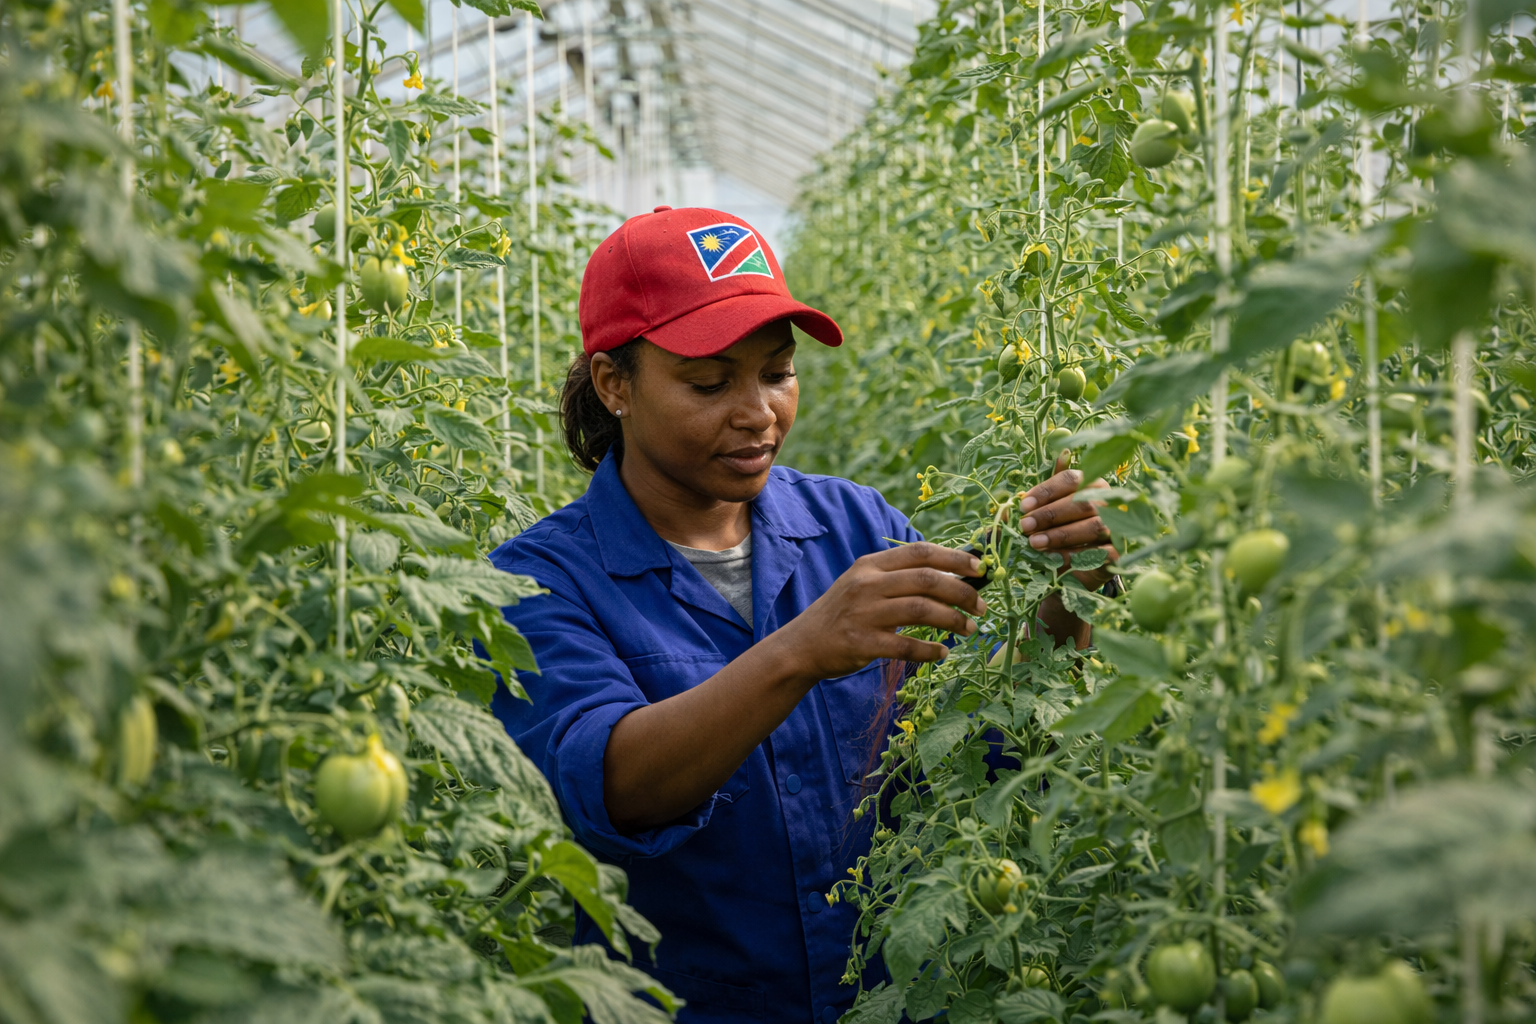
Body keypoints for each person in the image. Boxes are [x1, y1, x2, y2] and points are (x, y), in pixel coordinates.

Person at [489, 206, 1116, 1024]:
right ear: (615, 385)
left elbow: (977, 732)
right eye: (710, 383)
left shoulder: (859, 527)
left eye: (777, 373)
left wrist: (1068, 595)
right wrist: (802, 650)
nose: (757, 412)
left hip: (891, 1001)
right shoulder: (538, 580)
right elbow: (613, 787)